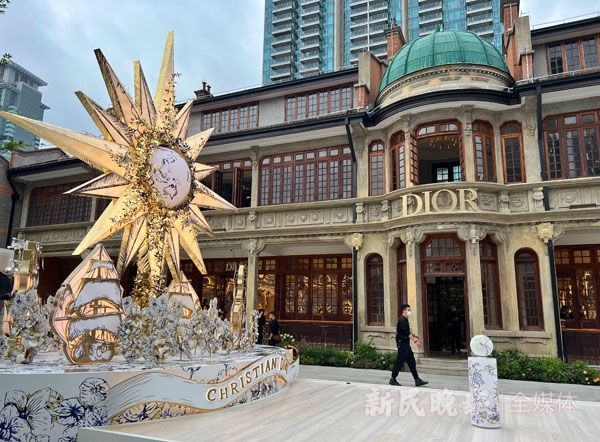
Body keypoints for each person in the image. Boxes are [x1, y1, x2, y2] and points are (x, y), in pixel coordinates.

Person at [390, 304, 428, 387]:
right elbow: (406, 333)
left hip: (406, 344)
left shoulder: (405, 320)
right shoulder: (402, 320)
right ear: (404, 311)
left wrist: (414, 335)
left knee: (411, 362)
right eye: (408, 310)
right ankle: (393, 378)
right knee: (400, 361)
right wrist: (415, 341)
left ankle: (417, 380)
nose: (409, 312)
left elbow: (406, 331)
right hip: (402, 344)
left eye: (410, 310)